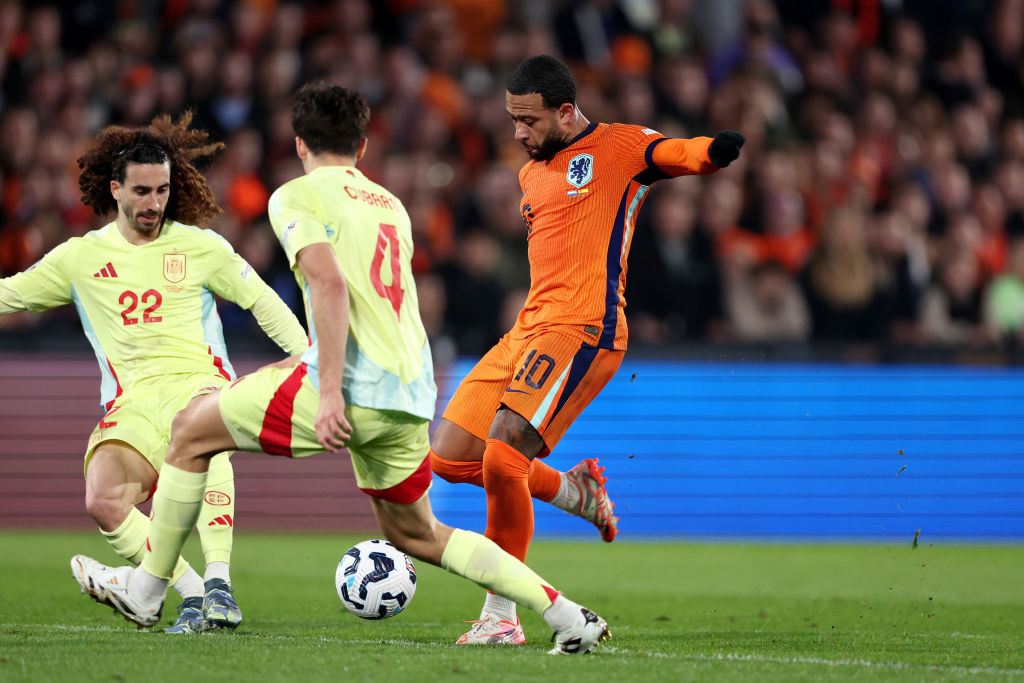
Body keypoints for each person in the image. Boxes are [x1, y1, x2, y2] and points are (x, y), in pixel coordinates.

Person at [70, 82, 610, 655]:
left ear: (300, 144)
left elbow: (327, 283)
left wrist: (329, 391)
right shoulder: (391, 205)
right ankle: (567, 615)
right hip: (409, 390)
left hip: (347, 381)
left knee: (189, 430)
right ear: (363, 146)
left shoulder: (296, 196)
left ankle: (148, 591)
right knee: (420, 534)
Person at [428, 54, 744, 645]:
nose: (518, 133)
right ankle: (574, 492)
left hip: (582, 329)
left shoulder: (617, 147)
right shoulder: (530, 175)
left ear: (567, 111)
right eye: (512, 120)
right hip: (526, 330)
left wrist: (713, 152)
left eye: (529, 121)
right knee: (447, 458)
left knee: (502, 459)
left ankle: (501, 617)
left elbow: (674, 152)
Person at [0, 112, 309, 633]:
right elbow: (10, 294)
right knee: (103, 497)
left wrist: (308, 358)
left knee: (202, 426)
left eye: (162, 190)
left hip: (199, 382)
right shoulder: (80, 258)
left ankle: (220, 582)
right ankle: (190, 592)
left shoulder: (200, 247)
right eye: (142, 191)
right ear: (116, 189)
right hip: (133, 402)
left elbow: (261, 301)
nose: (153, 203)